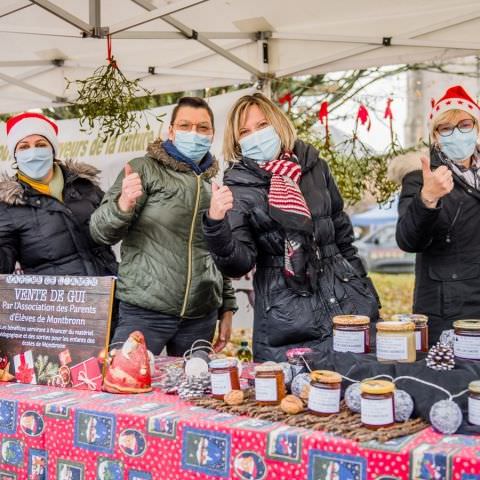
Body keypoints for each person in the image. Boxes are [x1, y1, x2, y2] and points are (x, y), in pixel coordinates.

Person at [203, 93, 379, 362]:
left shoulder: (314, 166)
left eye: (262, 126)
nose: (256, 135)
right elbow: (237, 264)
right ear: (237, 141)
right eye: (245, 131)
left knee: (365, 389)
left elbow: (343, 237)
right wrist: (216, 223)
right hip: (288, 315)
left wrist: (364, 290)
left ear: (278, 123)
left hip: (345, 299)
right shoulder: (238, 186)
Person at [90, 97, 237, 356]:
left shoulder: (214, 182)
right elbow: (100, 232)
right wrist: (123, 204)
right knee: (127, 386)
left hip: (200, 316)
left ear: (212, 134)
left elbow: (217, 249)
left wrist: (226, 306)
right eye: (185, 125)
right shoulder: (142, 169)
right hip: (144, 312)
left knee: (194, 393)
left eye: (203, 128)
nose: (194, 133)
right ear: (170, 131)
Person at [390, 85, 480, 344]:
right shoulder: (419, 177)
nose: (457, 133)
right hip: (446, 309)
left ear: (476, 127)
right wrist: (427, 199)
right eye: (446, 128)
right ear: (435, 135)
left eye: (464, 124)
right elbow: (408, 240)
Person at [0, 112, 117, 277]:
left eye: (41, 144)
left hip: (106, 293)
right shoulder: (7, 205)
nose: (33, 152)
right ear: (15, 155)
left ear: (53, 150)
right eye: (24, 147)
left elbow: (112, 229)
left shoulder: (85, 185)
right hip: (57, 298)